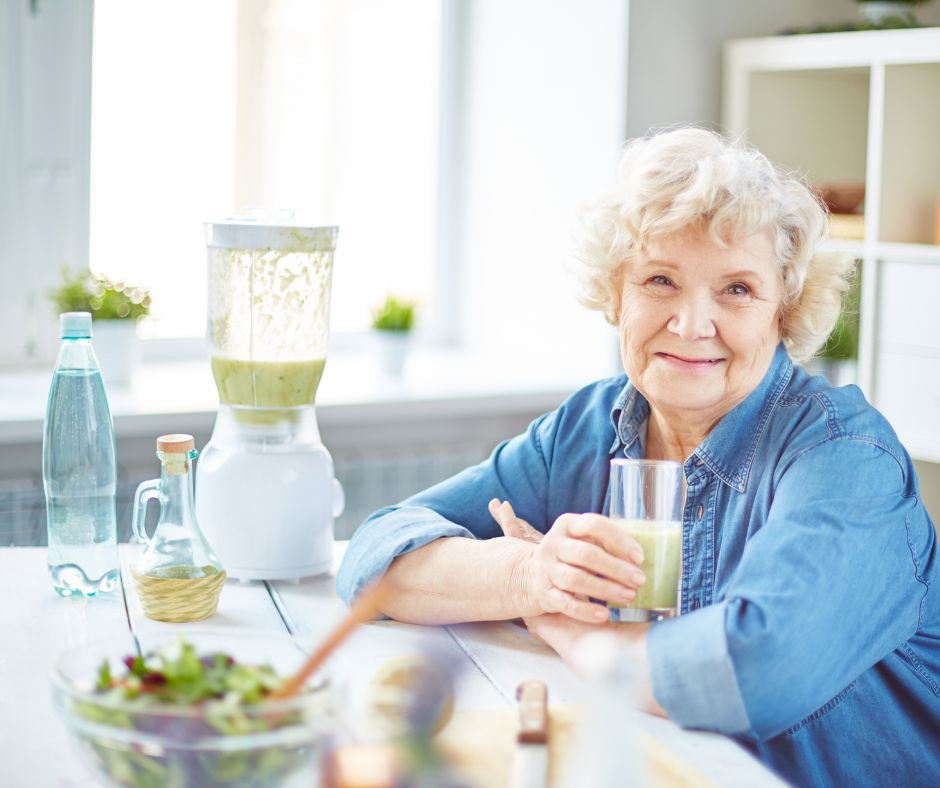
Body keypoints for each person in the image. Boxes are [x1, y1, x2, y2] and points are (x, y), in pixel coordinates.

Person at [337, 127, 940, 786]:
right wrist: (530, 576)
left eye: (736, 289)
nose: (690, 324)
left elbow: (756, 672)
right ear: (615, 294)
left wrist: (571, 631)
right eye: (660, 279)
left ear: (783, 312)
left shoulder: (846, 457)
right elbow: (378, 557)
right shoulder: (590, 426)